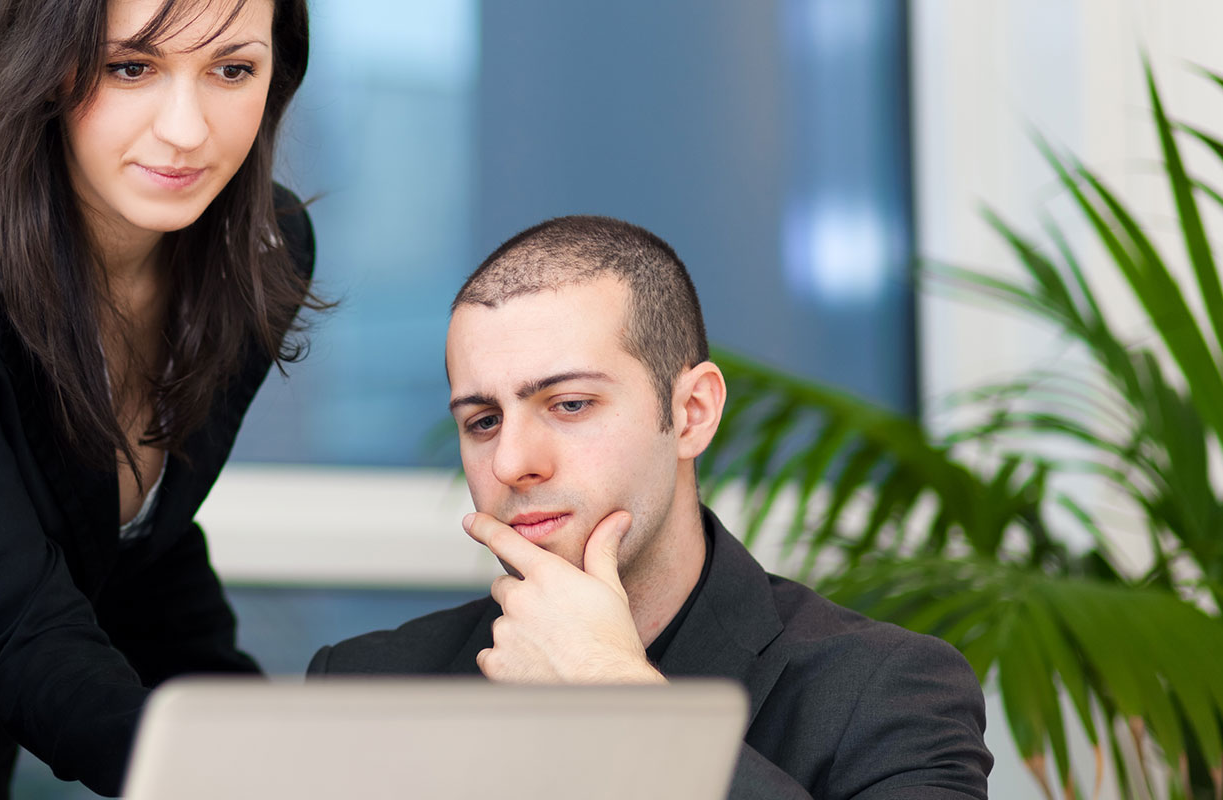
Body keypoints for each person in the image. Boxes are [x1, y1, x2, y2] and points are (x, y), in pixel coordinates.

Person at [309, 215, 993, 799]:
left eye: (569, 404)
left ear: (691, 412)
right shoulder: (365, 684)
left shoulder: (883, 691)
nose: (513, 461)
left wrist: (618, 701)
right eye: (482, 421)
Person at [0, 0, 323, 794]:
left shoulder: (261, 247)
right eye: (131, 68)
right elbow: (18, 625)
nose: (186, 130)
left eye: (232, 70)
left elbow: (138, 550)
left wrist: (284, 753)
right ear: (46, 65)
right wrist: (228, 774)